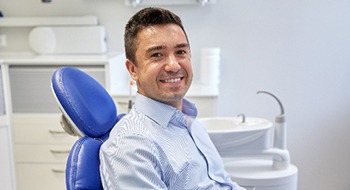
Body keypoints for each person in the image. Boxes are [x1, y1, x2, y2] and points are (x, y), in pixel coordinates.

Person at [99, 7, 245, 190]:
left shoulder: (189, 121)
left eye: (180, 52)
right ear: (133, 70)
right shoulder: (131, 147)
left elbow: (223, 182)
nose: (173, 65)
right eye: (157, 55)